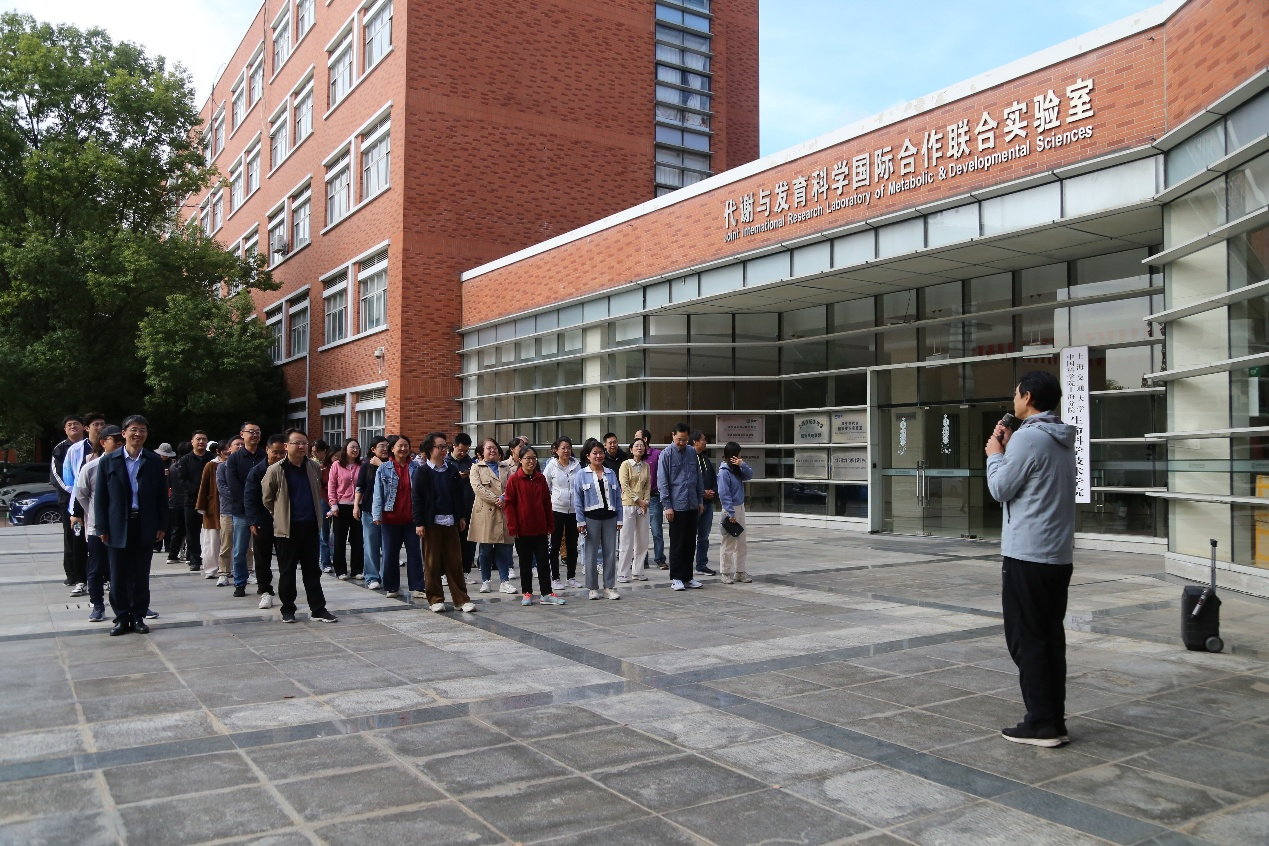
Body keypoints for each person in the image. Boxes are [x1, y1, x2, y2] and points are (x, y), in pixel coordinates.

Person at [985, 371, 1078, 748]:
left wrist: (995, 456)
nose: (1014, 401)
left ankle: (1040, 723)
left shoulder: (1027, 438)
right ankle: (1053, 720)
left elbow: (1000, 488)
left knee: (1026, 639)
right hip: (1057, 555)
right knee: (1049, 638)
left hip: (1027, 554)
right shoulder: (1060, 438)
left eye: (1015, 394)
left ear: (1026, 396)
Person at [94, 415, 169, 636]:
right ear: (124, 433)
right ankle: (121, 617)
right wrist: (102, 527)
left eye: (143, 430)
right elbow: (101, 498)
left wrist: (162, 524)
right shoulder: (109, 461)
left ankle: (138, 616)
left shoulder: (154, 461)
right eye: (134, 429)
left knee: (140, 574)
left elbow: (161, 497)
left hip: (144, 524)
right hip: (117, 525)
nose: (138, 434)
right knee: (117, 575)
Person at [261, 429, 338, 624]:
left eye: (305, 442)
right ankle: (288, 609)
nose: (302, 446)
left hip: (310, 527)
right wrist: (280, 515)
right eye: (297, 443)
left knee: (312, 571)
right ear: (286, 446)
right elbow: (267, 499)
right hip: (287, 530)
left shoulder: (313, 467)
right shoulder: (276, 470)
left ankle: (318, 609)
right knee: (287, 572)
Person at [411, 432, 476, 613]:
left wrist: (461, 517)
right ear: (429, 449)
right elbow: (416, 499)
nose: (443, 450)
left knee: (455, 562)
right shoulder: (422, 472)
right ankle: (435, 599)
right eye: (439, 447)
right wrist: (419, 522)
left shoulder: (451, 470)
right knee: (431, 563)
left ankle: (461, 600)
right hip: (431, 523)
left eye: (444, 446)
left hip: (451, 521)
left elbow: (459, 496)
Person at [72, 424, 123, 622]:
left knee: (126, 569)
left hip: (123, 527)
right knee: (96, 568)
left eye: (121, 441)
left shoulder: (128, 465)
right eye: (115, 441)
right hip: (97, 528)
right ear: (103, 443)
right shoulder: (91, 467)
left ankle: (132, 605)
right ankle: (97, 606)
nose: (119, 444)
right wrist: (94, 514)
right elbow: (81, 495)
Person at [504, 444, 565, 606]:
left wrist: (550, 525)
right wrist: (513, 527)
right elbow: (509, 504)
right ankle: (527, 592)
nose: (531, 461)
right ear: (520, 460)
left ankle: (546, 593)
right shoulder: (514, 479)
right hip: (522, 530)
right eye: (527, 458)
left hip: (540, 529)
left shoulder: (540, 478)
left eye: (533, 458)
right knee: (525, 563)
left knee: (543, 562)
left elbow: (546, 503)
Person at [372, 434, 424, 599]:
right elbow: (378, 493)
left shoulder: (416, 467)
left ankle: (417, 587)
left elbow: (422, 493)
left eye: (406, 445)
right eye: (399, 446)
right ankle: (392, 587)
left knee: (414, 554)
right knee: (390, 554)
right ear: (392, 449)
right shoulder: (384, 468)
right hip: (390, 519)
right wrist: (377, 514)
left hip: (411, 519)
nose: (403, 449)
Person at [573, 439, 622, 600]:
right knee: (591, 554)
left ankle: (609, 587)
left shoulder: (610, 473)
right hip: (590, 519)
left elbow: (618, 497)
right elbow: (578, 500)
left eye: (601, 452)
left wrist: (620, 519)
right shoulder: (581, 474)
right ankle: (593, 587)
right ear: (588, 455)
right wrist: (580, 521)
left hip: (610, 518)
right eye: (595, 453)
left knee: (610, 554)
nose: (598, 456)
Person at [658, 422, 704, 592]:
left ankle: (688, 576)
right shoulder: (666, 454)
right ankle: (676, 578)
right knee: (677, 542)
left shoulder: (691, 452)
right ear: (673, 435)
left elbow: (698, 477)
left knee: (690, 542)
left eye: (685, 439)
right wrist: (667, 506)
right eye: (679, 439)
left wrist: (700, 500)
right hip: (676, 505)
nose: (682, 442)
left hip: (692, 503)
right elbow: (663, 482)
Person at [245, 434, 287, 609]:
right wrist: (253, 520)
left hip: (285, 521)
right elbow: (250, 497)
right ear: (267, 450)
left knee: (286, 558)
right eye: (275, 452)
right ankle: (265, 590)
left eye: (282, 452)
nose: (279, 456)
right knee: (262, 558)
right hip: (263, 521)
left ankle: (286, 593)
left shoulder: (289, 469)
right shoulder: (257, 471)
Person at [470, 438, 516, 594]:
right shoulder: (476, 467)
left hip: (503, 510)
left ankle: (505, 581)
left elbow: (511, 486)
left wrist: (503, 498)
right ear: (481, 452)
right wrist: (496, 499)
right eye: (488, 448)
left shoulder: (505, 467)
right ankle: (486, 581)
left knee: (504, 548)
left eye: (494, 448)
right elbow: (477, 488)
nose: (492, 450)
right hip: (485, 512)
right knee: (485, 549)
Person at [225, 422, 265, 597]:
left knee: (262, 550)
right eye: (251, 432)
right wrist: (249, 506)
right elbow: (234, 486)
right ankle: (240, 583)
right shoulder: (234, 458)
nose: (255, 435)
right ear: (242, 434)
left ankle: (263, 583)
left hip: (264, 510)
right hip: (241, 510)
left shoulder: (265, 455)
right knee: (240, 550)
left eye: (257, 432)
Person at [51, 414, 87, 594]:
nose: (73, 427)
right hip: (69, 500)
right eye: (69, 425)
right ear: (65, 429)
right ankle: (72, 573)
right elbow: (56, 475)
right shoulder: (60, 449)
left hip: (89, 499)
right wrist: (73, 491)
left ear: (84, 427)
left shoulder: (92, 445)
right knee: (73, 535)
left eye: (76, 424)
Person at [544, 436, 581, 590]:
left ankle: (571, 577)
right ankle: (555, 578)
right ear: (556, 450)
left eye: (568, 448)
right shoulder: (551, 466)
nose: (566, 451)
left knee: (572, 545)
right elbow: (545, 488)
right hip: (557, 509)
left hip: (574, 510)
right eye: (563, 448)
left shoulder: (577, 466)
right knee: (555, 544)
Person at [174, 431, 213, 573]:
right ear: (192, 442)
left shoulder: (212, 459)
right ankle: (195, 560)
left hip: (211, 501)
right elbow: (182, 480)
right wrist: (198, 491)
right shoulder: (185, 460)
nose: (201, 442)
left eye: (204, 439)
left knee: (212, 532)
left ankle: (211, 560)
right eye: (198, 439)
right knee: (192, 532)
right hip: (191, 501)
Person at [716, 441, 754, 585]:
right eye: (738, 454)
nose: (740, 456)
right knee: (729, 542)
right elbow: (724, 493)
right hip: (730, 509)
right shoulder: (724, 472)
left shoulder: (736, 469)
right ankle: (725, 572)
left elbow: (749, 475)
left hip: (740, 507)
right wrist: (731, 513)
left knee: (741, 542)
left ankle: (740, 571)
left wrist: (742, 464)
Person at [354, 436, 388, 590]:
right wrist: (356, 505)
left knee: (387, 547)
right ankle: (372, 577)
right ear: (373, 449)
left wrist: (381, 465)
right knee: (370, 545)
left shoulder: (391, 465)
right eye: (382, 446)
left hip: (388, 512)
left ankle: (387, 577)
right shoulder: (366, 466)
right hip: (369, 510)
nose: (385, 449)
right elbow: (360, 487)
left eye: (387, 446)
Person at [327, 439, 364, 580]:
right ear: (345, 448)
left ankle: (357, 570)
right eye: (352, 447)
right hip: (341, 507)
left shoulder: (362, 465)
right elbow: (331, 486)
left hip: (358, 506)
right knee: (339, 540)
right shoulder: (336, 465)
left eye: (357, 448)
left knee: (357, 540)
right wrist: (333, 504)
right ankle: (340, 570)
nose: (355, 450)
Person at [616, 438, 651, 584]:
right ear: (631, 449)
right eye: (636, 445)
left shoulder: (646, 466)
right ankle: (623, 573)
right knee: (626, 540)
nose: (639, 448)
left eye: (642, 446)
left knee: (642, 541)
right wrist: (638, 500)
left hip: (643, 507)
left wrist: (645, 502)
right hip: (628, 505)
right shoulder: (625, 464)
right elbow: (624, 485)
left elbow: (647, 485)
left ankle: (638, 571)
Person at [636, 428, 668, 571]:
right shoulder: (635, 457)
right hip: (638, 499)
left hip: (654, 497)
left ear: (645, 440)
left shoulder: (657, 455)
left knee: (656, 531)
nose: (636, 441)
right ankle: (643, 560)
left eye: (638, 437)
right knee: (640, 532)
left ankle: (660, 559)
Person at [447, 433, 478, 583]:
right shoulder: (445, 462)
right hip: (450, 507)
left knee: (468, 542)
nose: (463, 453)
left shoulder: (471, 463)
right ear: (453, 446)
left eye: (466, 451)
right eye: (460, 450)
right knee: (450, 542)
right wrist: (455, 477)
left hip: (468, 506)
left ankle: (465, 571)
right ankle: (446, 572)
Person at [195, 441, 225, 578]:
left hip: (229, 508)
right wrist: (201, 506)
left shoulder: (234, 464)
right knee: (212, 541)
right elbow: (204, 487)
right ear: (218, 451)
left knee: (228, 542)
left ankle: (226, 568)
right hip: (212, 508)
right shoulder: (211, 465)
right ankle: (211, 569)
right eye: (224, 449)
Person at [691, 430, 718, 577]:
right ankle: (687, 565)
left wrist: (713, 491)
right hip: (693, 504)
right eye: (703, 439)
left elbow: (714, 478)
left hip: (707, 504)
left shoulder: (705, 459)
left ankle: (701, 565)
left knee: (704, 537)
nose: (705, 442)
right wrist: (702, 493)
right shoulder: (689, 459)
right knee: (689, 536)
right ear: (695, 442)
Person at [310, 439, 334, 573]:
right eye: (313, 452)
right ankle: (325, 562)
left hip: (336, 501)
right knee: (324, 532)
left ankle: (334, 558)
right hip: (323, 501)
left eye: (317, 451)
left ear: (325, 451)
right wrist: (329, 501)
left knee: (334, 534)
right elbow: (319, 487)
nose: (315, 454)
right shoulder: (315, 465)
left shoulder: (332, 465)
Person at [163, 442, 189, 565]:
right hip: (187, 500)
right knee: (190, 530)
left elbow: (169, 484)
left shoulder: (173, 467)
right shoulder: (188, 465)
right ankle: (189, 556)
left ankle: (172, 554)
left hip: (174, 501)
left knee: (176, 529)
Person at [153, 442, 178, 556]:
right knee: (157, 519)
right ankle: (156, 544)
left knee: (169, 520)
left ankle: (168, 545)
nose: (165, 456)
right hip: (157, 492)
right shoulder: (155, 462)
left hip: (170, 492)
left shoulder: (173, 463)